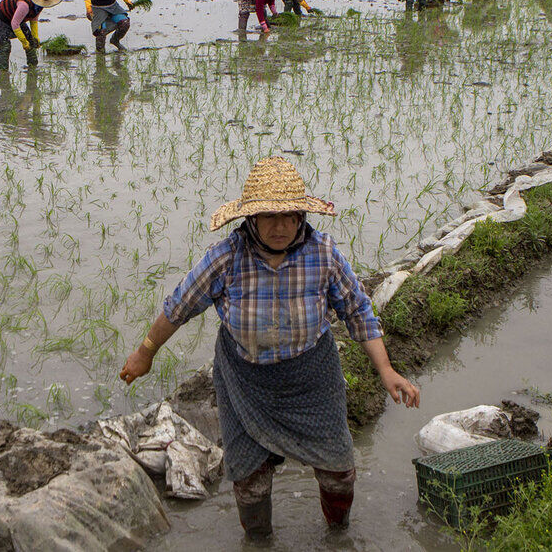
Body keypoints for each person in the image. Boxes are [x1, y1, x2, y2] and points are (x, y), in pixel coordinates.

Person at [119, 157, 419, 540]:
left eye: (289, 216)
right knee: (249, 481)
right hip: (246, 380)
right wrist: (145, 352)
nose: (279, 226)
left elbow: (358, 309)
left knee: (338, 471)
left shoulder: (322, 254)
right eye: (268, 216)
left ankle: (338, 534)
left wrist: (386, 371)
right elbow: (179, 306)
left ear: (300, 217)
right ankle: (259, 541)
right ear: (251, 220)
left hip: (312, 378)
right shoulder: (226, 257)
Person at [0, 0, 63, 71]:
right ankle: (3, 72)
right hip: (1, 18)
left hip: (16, 18)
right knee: (5, 46)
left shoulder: (38, 6)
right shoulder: (24, 5)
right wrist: (24, 42)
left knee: (31, 41)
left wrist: (35, 36)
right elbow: (15, 24)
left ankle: (32, 67)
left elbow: (34, 19)